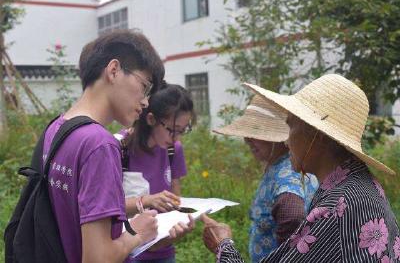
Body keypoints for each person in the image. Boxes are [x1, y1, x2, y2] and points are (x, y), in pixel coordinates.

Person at [201, 74, 400, 262]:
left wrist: (223, 244)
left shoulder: (338, 207)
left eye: (291, 126)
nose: (286, 140)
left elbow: (293, 216)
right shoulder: (360, 186)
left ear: (318, 135)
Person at [42, 30, 189, 263]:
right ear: (113, 70)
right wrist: (136, 232)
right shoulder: (100, 144)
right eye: (144, 86)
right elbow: (97, 259)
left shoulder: (57, 128)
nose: (146, 101)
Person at [213, 95, 318, 262]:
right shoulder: (282, 165)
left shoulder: (287, 174)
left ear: (276, 138)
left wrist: (287, 257)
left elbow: (293, 215)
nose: (247, 140)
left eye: (255, 133)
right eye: (247, 134)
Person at [118, 82, 195, 263]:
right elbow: (106, 208)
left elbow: (175, 200)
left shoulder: (173, 149)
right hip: (127, 252)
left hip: (163, 252)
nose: (176, 138)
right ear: (151, 119)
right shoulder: (120, 148)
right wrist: (147, 201)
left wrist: (181, 221)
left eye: (183, 131)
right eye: (173, 130)